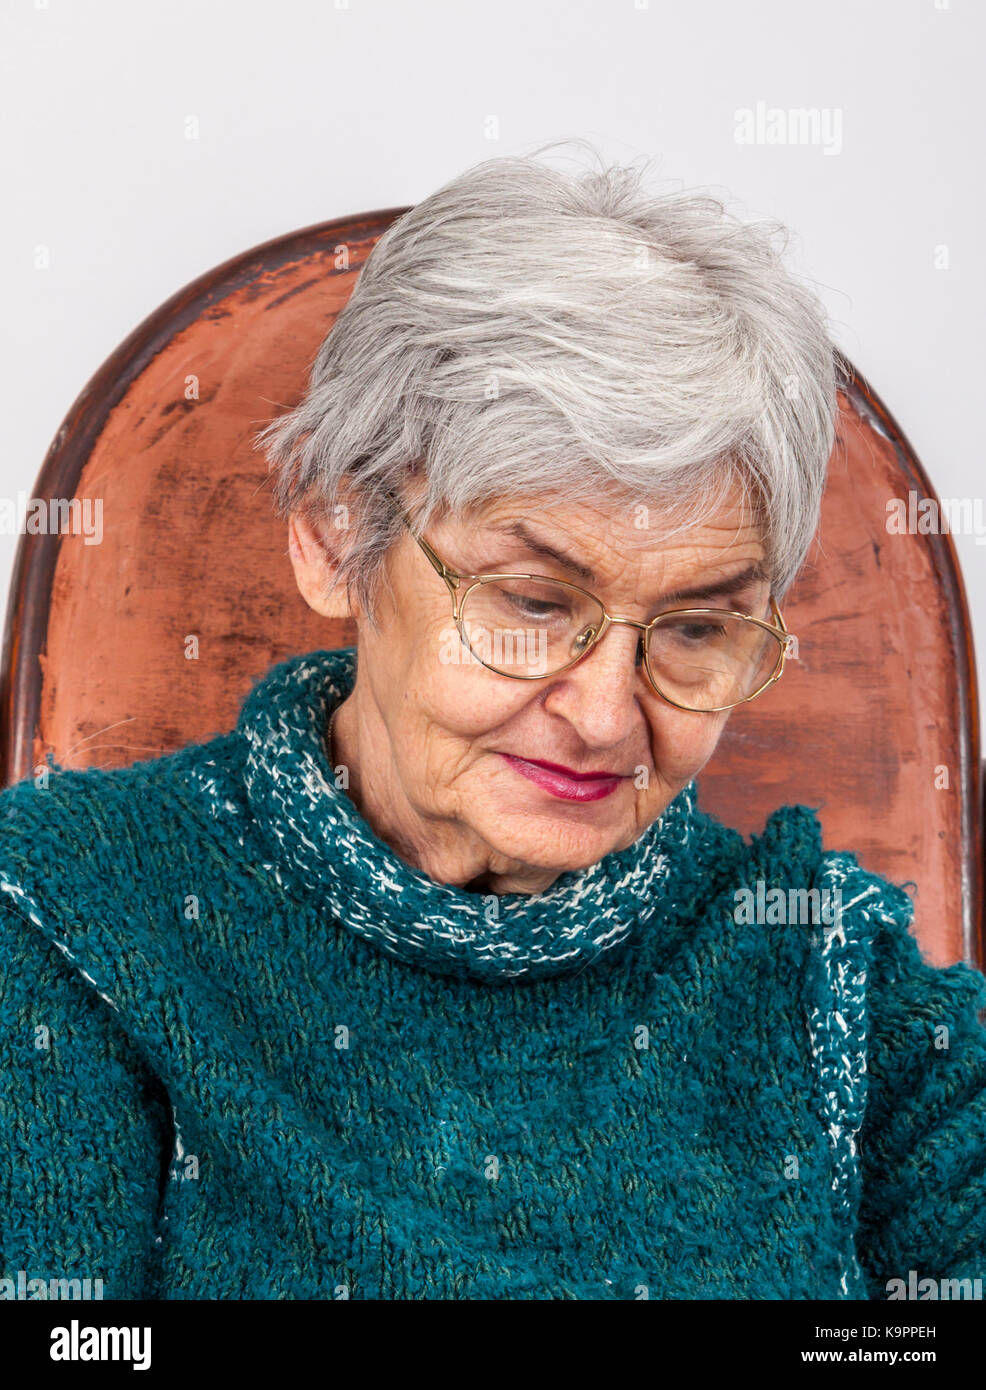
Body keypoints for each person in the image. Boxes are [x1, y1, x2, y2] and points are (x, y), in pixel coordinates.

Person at [2, 146, 984, 1302]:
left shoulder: (828, 972)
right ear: (333, 534)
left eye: (694, 630)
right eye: (532, 602)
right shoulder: (72, 908)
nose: (607, 717)